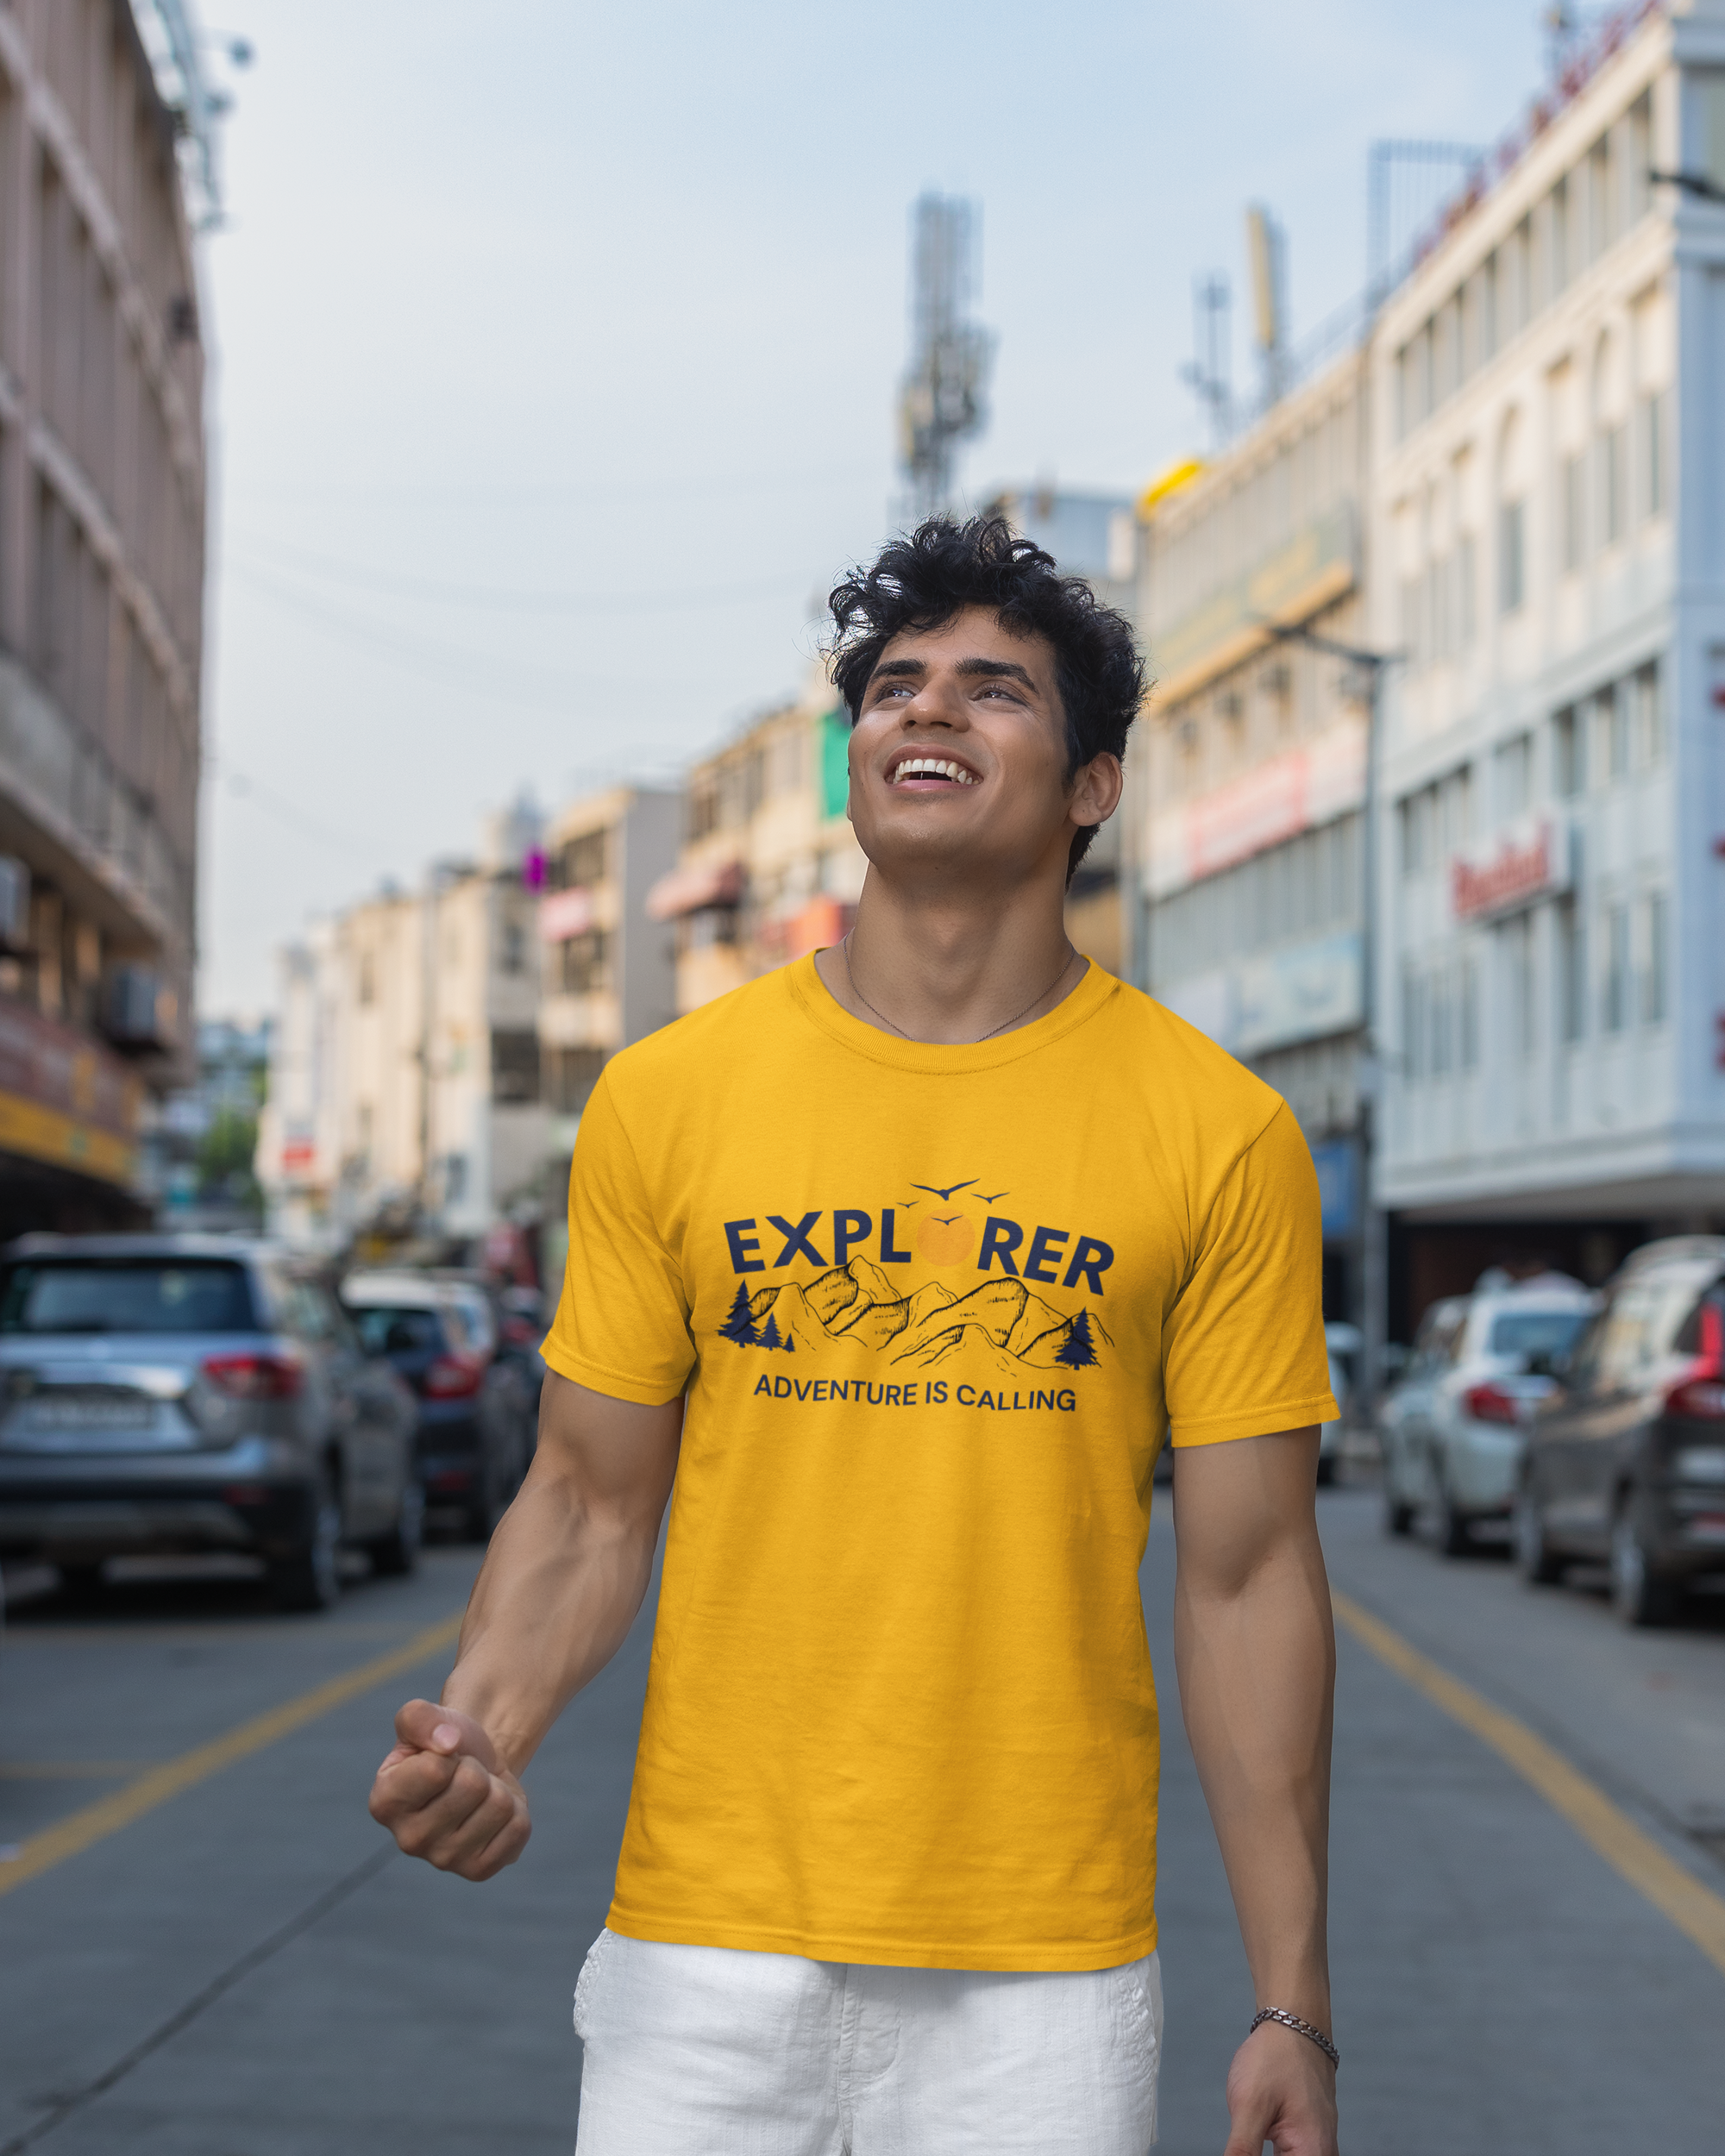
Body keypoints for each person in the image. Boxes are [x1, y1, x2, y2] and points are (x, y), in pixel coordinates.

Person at [370, 516, 1342, 2156]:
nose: (927, 713)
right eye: (893, 688)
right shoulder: (672, 1097)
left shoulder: (1218, 1133)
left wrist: (1292, 2001)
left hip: (1042, 1977)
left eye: (992, 691)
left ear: (1094, 784)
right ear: (855, 760)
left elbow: (1249, 1577)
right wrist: (483, 1732)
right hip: (701, 1956)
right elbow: (594, 1499)